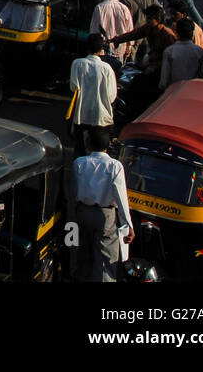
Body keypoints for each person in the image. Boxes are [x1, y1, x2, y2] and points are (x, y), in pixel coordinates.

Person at [71, 128, 133, 281]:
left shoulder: (78, 163)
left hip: (82, 212)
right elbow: (121, 198)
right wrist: (128, 224)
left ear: (88, 144)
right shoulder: (114, 166)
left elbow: (74, 190)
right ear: (108, 146)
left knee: (82, 252)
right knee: (105, 259)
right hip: (105, 216)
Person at [69, 36, 118, 158]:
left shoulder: (77, 64)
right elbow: (112, 96)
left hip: (81, 116)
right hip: (101, 117)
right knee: (99, 153)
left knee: (80, 150)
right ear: (101, 50)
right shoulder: (107, 68)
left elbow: (73, 88)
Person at [90, 0, 136, 68]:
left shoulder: (99, 8)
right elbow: (130, 31)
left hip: (102, 51)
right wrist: (128, 48)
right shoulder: (123, 8)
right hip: (119, 50)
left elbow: (94, 31)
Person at [160, 17, 203, 89]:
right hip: (192, 89)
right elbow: (201, 75)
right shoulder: (199, 51)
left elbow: (164, 80)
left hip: (174, 91)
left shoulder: (169, 51)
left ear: (177, 32)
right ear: (192, 33)